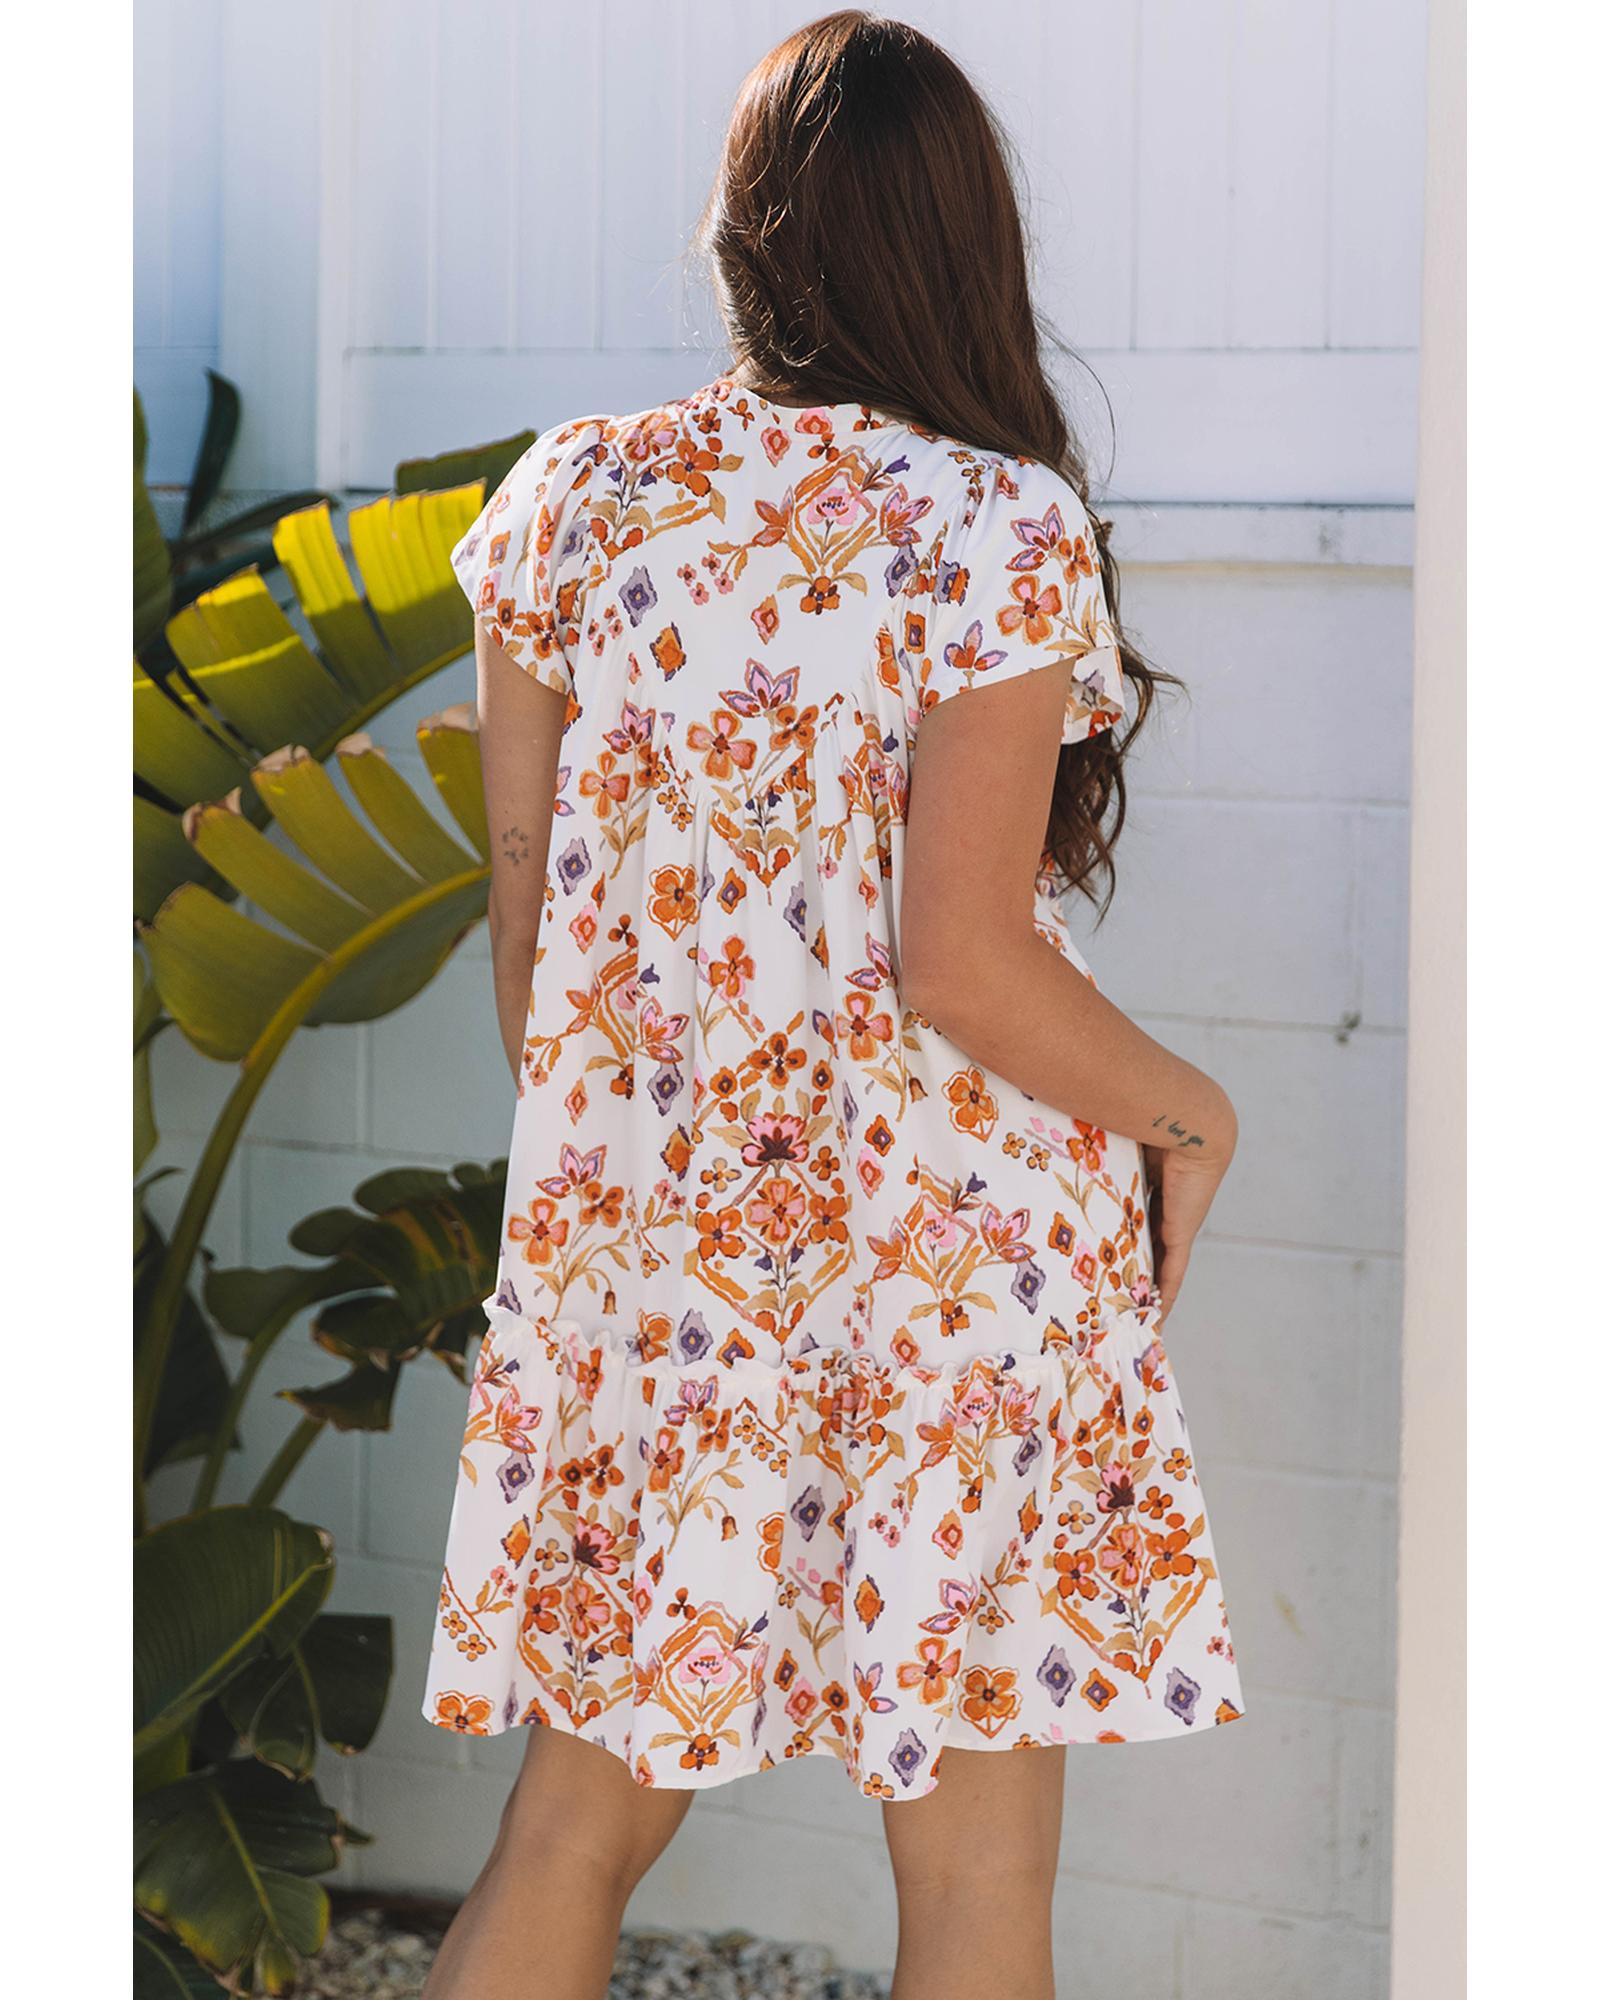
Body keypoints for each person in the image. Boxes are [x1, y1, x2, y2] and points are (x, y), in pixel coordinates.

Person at [419, 12, 1245, 1998]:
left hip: (672, 1252)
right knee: (974, 1884)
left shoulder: (571, 501)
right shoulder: (988, 522)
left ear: (744, 232)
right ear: (965, 241)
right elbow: (959, 964)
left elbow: (538, 958)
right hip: (956, 1270)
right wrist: (1190, 1114)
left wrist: (659, 1212)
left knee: (570, 1829)